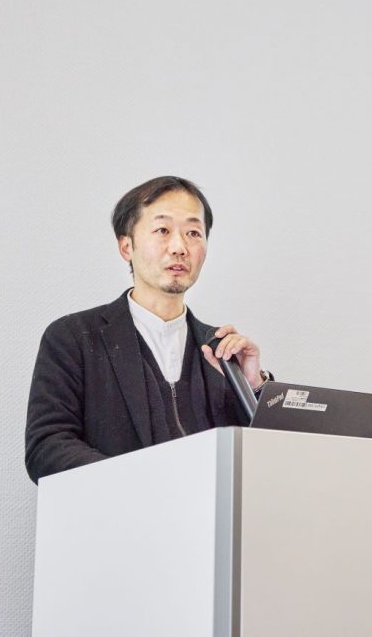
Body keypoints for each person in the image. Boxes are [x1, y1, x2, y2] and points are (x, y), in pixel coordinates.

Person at [25, 176, 270, 483]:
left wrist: (254, 387)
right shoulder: (74, 337)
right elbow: (47, 447)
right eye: (162, 230)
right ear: (126, 246)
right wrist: (141, 482)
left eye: (193, 233)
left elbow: (273, 462)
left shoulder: (222, 351)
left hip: (211, 514)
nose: (179, 247)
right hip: (118, 510)